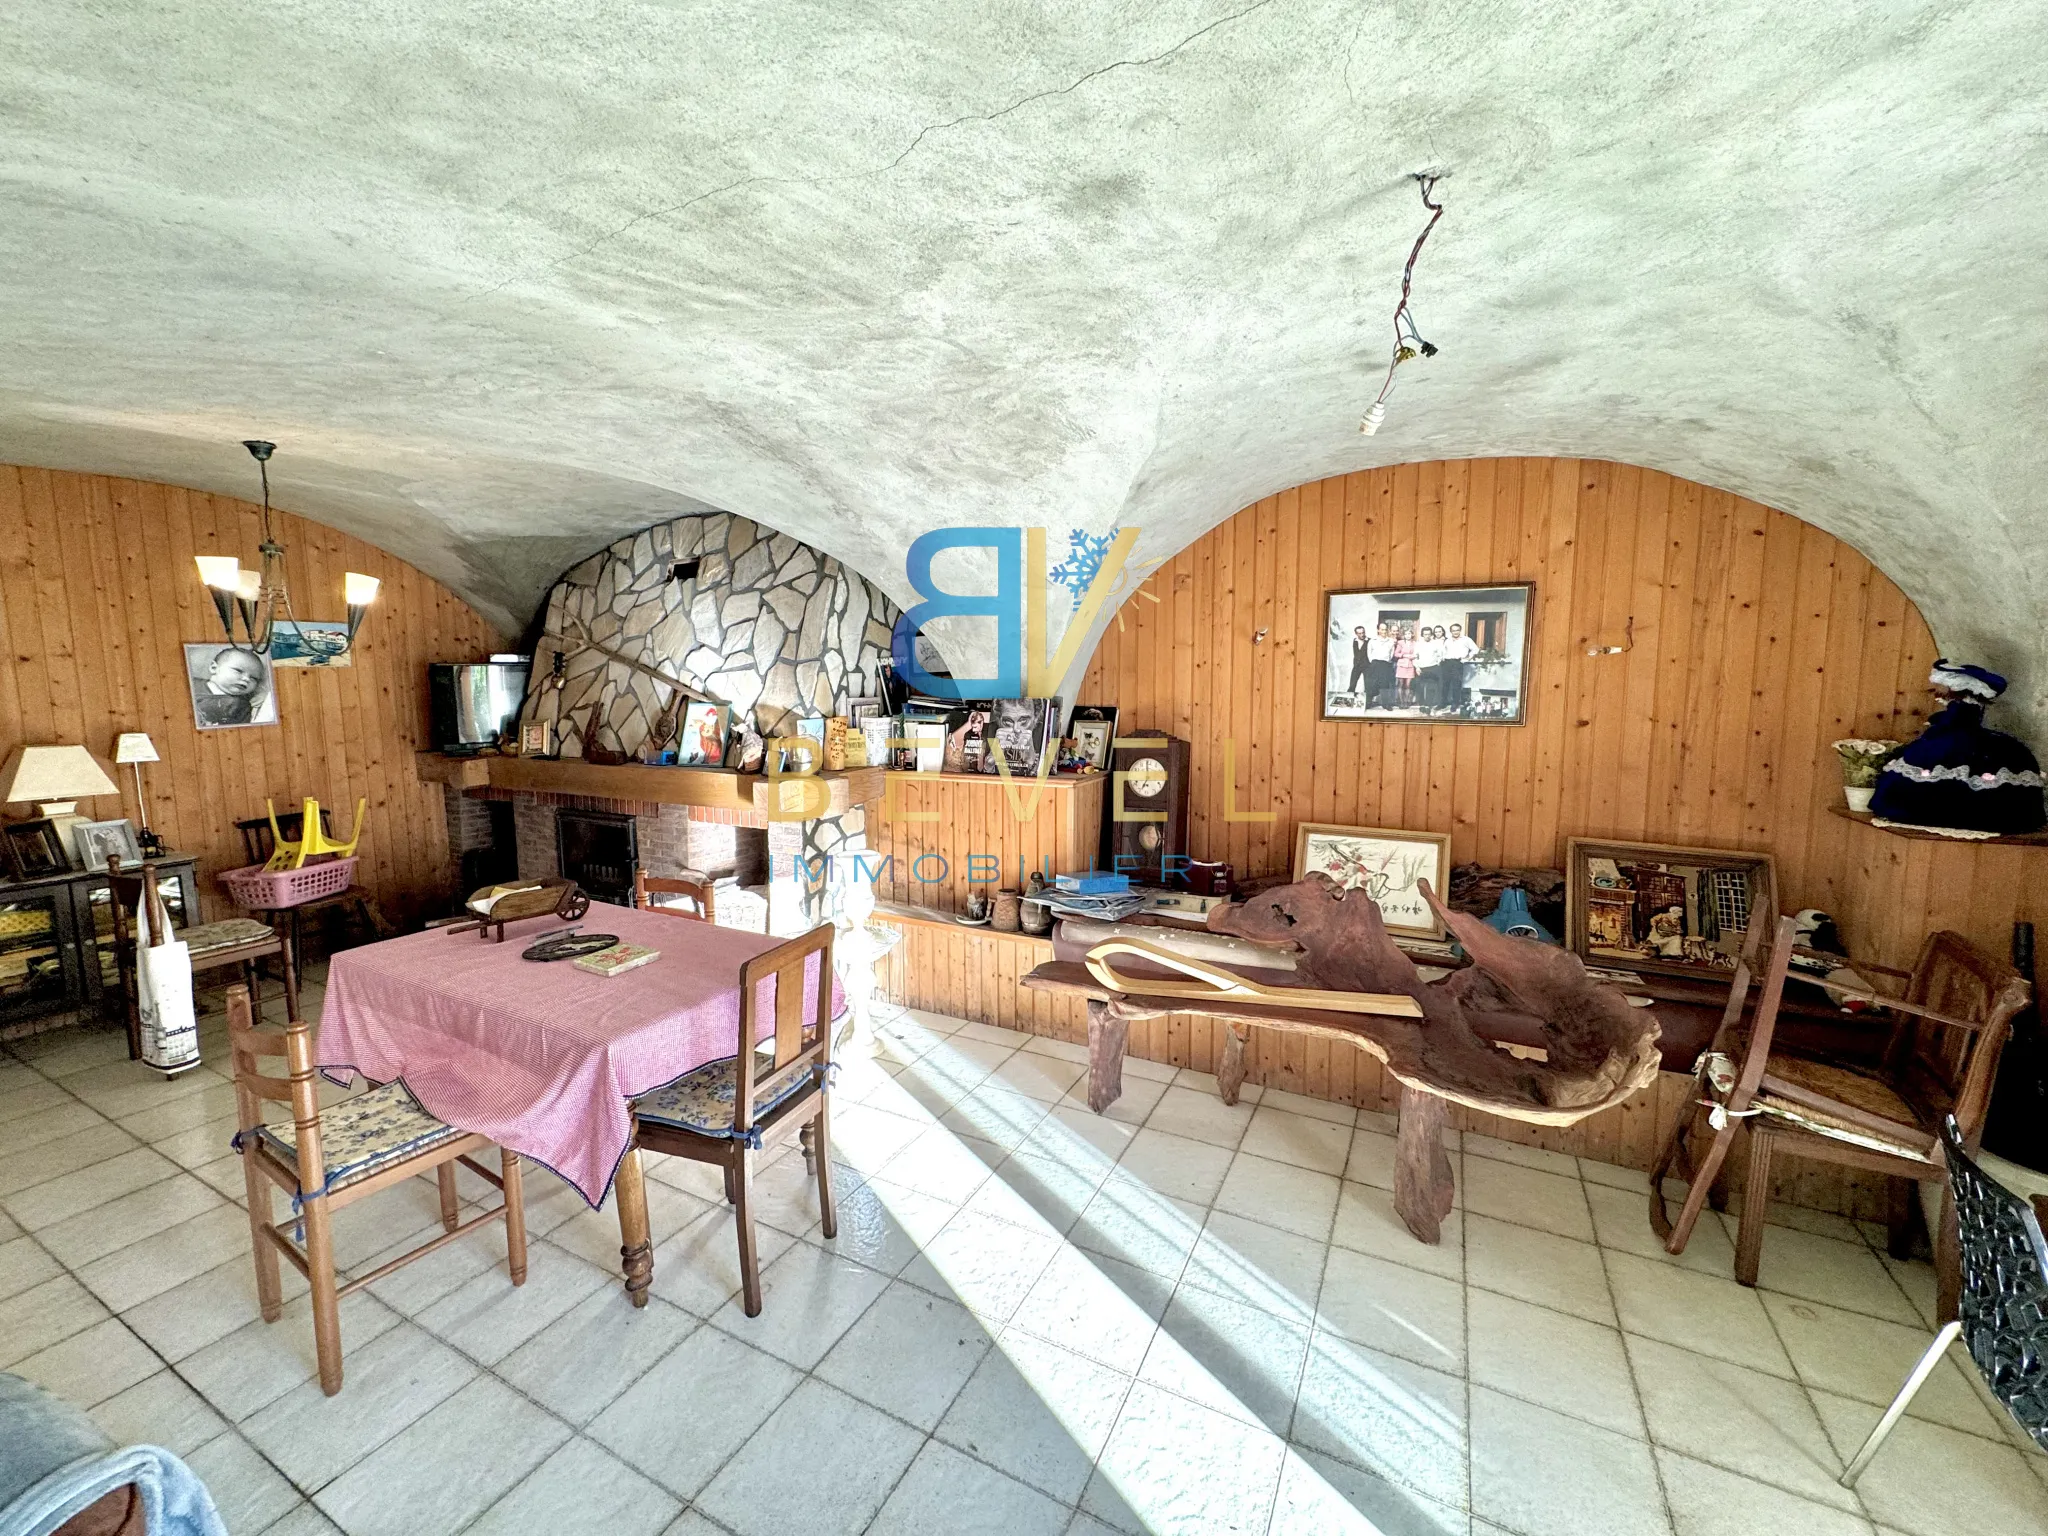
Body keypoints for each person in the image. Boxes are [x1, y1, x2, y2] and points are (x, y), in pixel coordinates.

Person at [1869, 660, 2045, 835]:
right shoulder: (1970, 707)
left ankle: (1943, 812)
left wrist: (1936, 728)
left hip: (1958, 740)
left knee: (1944, 765)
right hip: (1961, 737)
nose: (1941, 692)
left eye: (1947, 688)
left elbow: (1954, 723)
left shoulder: (1961, 709)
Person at [193, 647, 268, 727]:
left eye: (253, 678)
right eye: (238, 671)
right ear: (214, 668)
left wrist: (262, 697)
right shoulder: (193, 684)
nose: (246, 679)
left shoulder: (242, 705)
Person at [1443, 622, 1481, 713]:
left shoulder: (1466, 639)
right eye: (1453, 630)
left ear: (1460, 630)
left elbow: (1475, 649)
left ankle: (1455, 704)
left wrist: (1467, 658)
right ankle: (1443, 703)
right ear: (1451, 631)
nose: (1455, 632)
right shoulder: (1447, 640)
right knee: (1445, 683)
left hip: (1457, 663)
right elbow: (1444, 651)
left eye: (1457, 630)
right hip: (1447, 662)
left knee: (1456, 684)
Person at [1413, 625, 1445, 711]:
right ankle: (1422, 704)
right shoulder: (1418, 644)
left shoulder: (1436, 643)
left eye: (1429, 634)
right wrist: (1417, 667)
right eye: (1425, 634)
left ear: (1431, 634)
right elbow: (1415, 657)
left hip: (1433, 667)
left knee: (1431, 687)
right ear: (1422, 635)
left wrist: (1437, 662)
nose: (1427, 636)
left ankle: (1428, 704)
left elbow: (1441, 655)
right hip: (1422, 668)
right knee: (1420, 686)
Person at [1366, 621, 1397, 707]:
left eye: (1385, 630)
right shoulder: (1373, 641)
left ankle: (1386, 704)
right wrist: (1373, 662)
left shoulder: (1390, 641)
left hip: (1385, 664)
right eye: (1382, 629)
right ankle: (1368, 703)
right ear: (1378, 630)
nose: (1384, 631)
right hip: (1375, 664)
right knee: (1372, 683)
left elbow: (1391, 653)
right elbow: (1369, 653)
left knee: (1385, 684)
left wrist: (1387, 661)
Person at [1343, 625, 1372, 700]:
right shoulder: (1354, 641)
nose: (1362, 635)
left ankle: (1368, 702)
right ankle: (1348, 699)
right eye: (1359, 633)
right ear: (1356, 634)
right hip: (1357, 666)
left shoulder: (1370, 641)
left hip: (1367, 666)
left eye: (1363, 632)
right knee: (1352, 684)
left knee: (1368, 685)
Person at [1393, 623, 1418, 705]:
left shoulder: (1415, 643)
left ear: (1412, 634)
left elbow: (1416, 654)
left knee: (1408, 685)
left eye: (1409, 633)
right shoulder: (1400, 643)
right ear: (1404, 635)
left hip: (1410, 666)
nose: (1408, 635)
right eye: (1406, 634)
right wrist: (1404, 655)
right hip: (1401, 665)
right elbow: (1396, 654)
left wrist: (1414, 656)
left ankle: (1406, 701)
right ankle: (1401, 702)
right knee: (1400, 685)